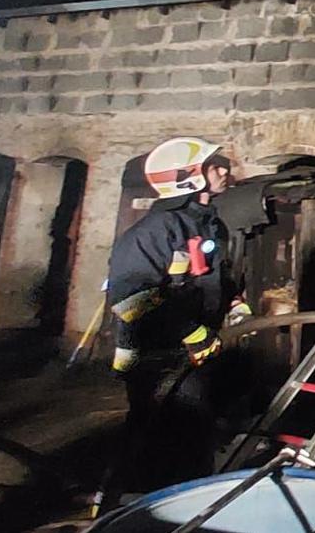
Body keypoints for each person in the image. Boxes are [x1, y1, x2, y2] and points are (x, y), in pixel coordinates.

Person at [99, 137, 242, 505]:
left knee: (196, 431)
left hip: (198, 350)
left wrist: (236, 303)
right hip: (157, 355)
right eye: (215, 167)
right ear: (188, 178)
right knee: (164, 433)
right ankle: (140, 508)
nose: (225, 171)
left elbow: (212, 277)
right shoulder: (154, 232)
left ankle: (190, 504)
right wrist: (190, 332)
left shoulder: (209, 226)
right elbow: (130, 300)